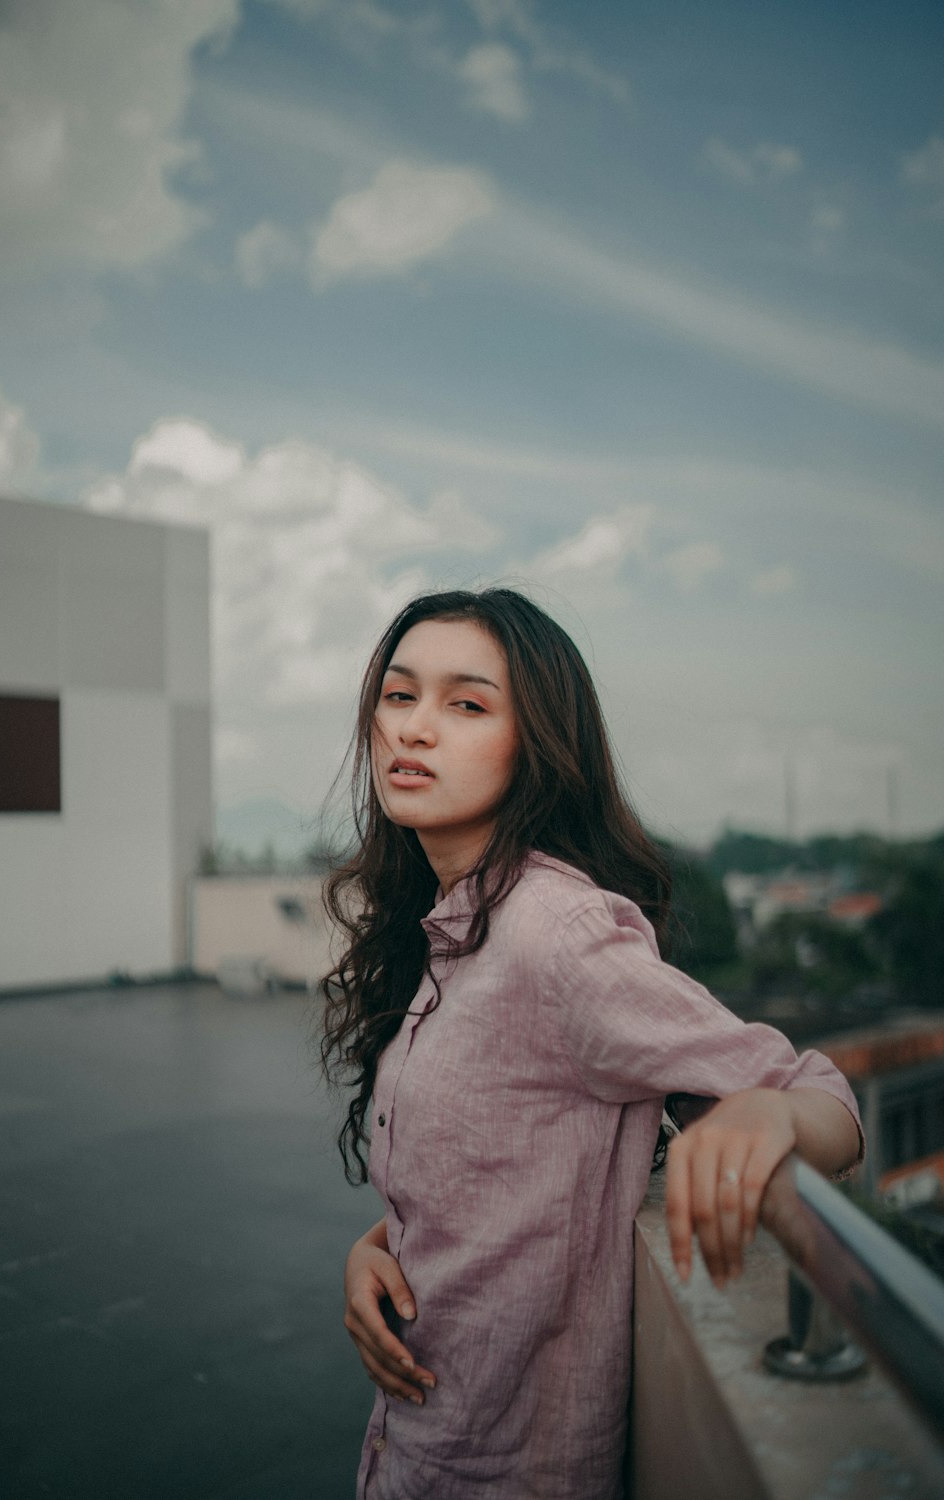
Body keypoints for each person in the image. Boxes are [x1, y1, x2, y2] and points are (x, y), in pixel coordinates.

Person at [320, 587, 862, 1500]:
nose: (413, 729)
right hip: (412, 1451)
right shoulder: (446, 922)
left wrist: (767, 1112)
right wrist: (380, 1247)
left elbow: (826, 1096)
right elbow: (499, 1160)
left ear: (534, 745)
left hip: (509, 1470)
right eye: (398, 694)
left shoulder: (554, 930)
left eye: (466, 704)